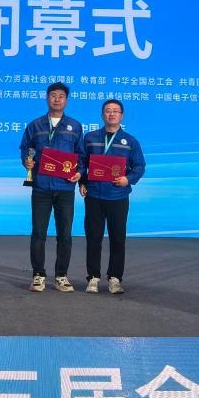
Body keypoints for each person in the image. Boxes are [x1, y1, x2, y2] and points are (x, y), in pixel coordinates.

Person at [19, 82, 83, 293]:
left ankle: (61, 276)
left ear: (66, 100)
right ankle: (38, 275)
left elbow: (81, 156)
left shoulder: (75, 126)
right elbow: (25, 149)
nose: (57, 99)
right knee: (39, 233)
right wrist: (26, 162)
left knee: (65, 234)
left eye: (61, 96)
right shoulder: (35, 125)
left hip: (65, 188)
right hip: (41, 187)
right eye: (53, 95)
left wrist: (79, 172)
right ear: (47, 98)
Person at [80, 98, 145, 294]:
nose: (111, 114)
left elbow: (140, 166)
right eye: (108, 110)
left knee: (117, 239)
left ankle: (115, 278)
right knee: (93, 238)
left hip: (118, 196)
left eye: (115, 111)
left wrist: (128, 179)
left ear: (122, 116)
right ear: (102, 115)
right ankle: (93, 277)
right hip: (94, 195)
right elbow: (81, 162)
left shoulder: (130, 141)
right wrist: (82, 182)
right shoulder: (90, 138)